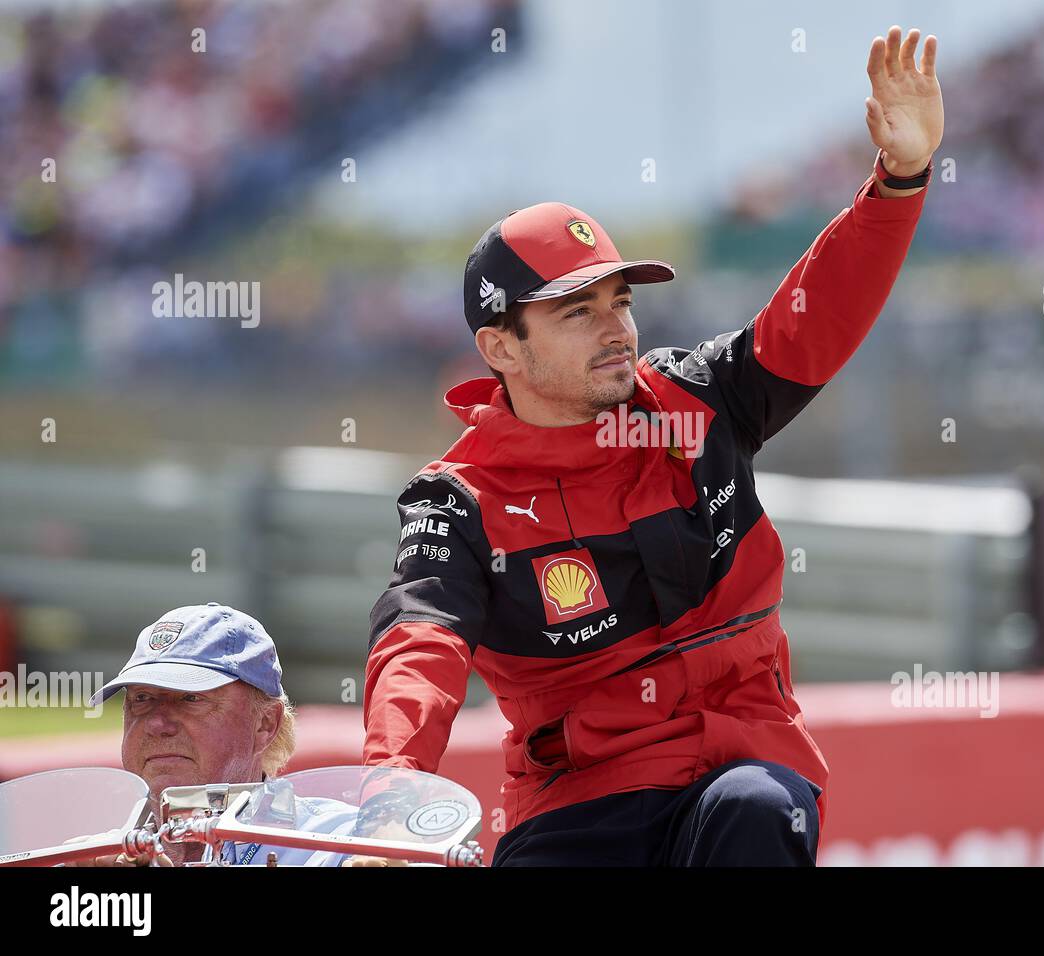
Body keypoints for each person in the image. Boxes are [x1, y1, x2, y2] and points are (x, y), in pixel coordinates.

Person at [364, 26, 944, 866]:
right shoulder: (459, 500)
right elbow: (421, 641)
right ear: (501, 349)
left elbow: (815, 317)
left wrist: (900, 180)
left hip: (744, 762)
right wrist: (391, 781)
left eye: (620, 303)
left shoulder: (701, 397)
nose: (616, 330)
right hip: (577, 804)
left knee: (754, 810)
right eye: (577, 312)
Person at [72, 603, 374, 866]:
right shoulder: (94, 856)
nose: (157, 724)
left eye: (190, 699)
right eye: (142, 699)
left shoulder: (340, 846)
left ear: (265, 724)